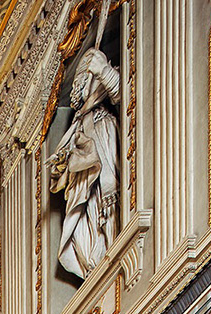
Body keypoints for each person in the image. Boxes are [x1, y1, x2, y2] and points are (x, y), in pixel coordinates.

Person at [49, 45, 121, 279]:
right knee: (85, 218)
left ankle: (112, 251)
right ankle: (95, 261)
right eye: (78, 81)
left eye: (84, 80)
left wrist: (104, 71)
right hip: (83, 180)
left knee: (107, 207)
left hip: (105, 147)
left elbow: (128, 95)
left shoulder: (102, 110)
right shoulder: (77, 123)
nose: (79, 87)